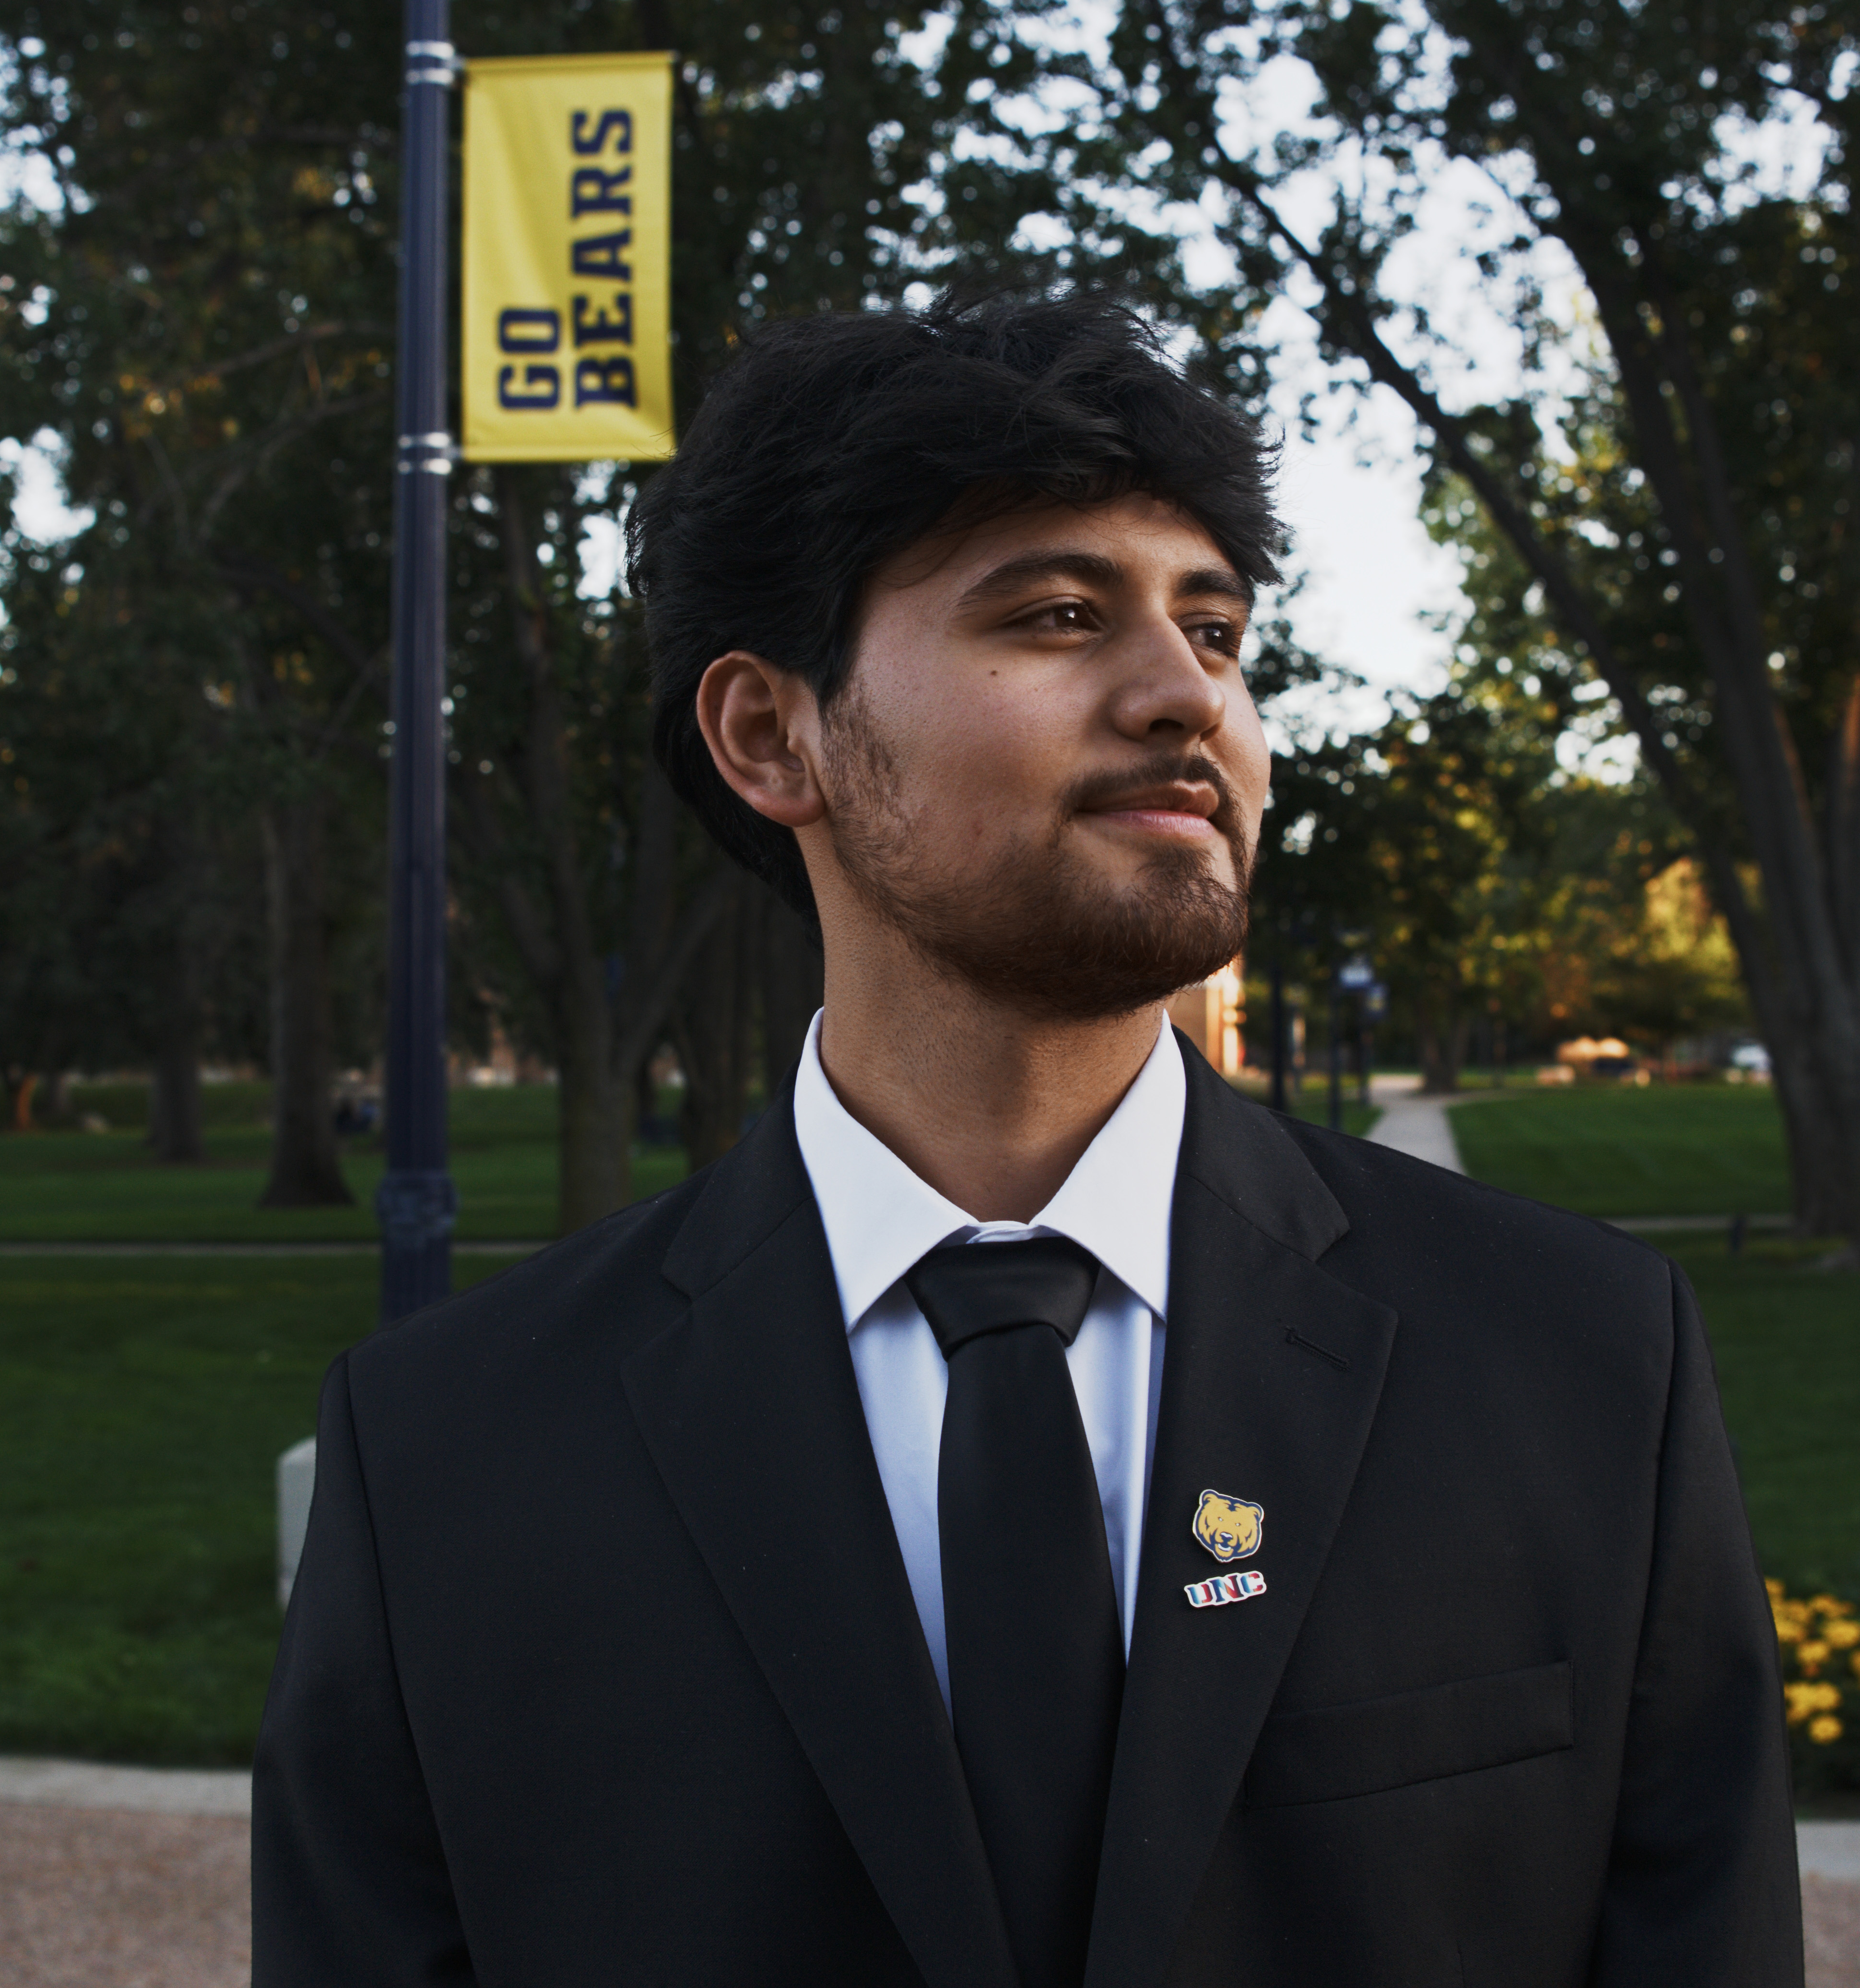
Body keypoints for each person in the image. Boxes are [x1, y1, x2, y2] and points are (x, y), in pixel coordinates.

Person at [252, 293, 1802, 1987]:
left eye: (1215, 632)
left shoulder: (1579, 1364)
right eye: (1061, 614)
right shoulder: (448, 1463)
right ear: (774, 735)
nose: (1183, 698)